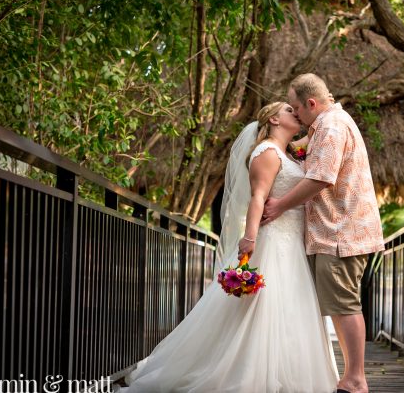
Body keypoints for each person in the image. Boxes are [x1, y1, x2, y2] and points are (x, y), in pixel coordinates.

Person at [115, 102, 338, 393]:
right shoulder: (267, 153)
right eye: (288, 109)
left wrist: (329, 109)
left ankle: (286, 373)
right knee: (261, 309)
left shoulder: (287, 153)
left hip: (292, 242)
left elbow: (315, 135)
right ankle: (248, 373)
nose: (295, 111)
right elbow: (257, 197)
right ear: (273, 118)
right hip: (272, 240)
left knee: (289, 307)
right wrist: (249, 238)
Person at [262, 74, 385, 393]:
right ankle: (350, 376)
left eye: (297, 109)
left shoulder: (331, 127)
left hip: (342, 233)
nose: (296, 115)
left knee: (345, 305)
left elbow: (321, 179)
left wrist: (279, 206)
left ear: (311, 103)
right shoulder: (327, 125)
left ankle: (356, 379)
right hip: (334, 232)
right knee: (338, 305)